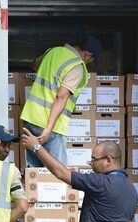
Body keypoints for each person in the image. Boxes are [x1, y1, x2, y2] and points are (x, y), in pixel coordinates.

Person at [20, 36, 101, 167]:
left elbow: (35, 64)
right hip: (50, 125)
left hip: (31, 118)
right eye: (90, 61)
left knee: (35, 172)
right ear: (87, 55)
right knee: (56, 175)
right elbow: (61, 97)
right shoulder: (76, 66)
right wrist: (49, 128)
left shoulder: (53, 52)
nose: (88, 64)